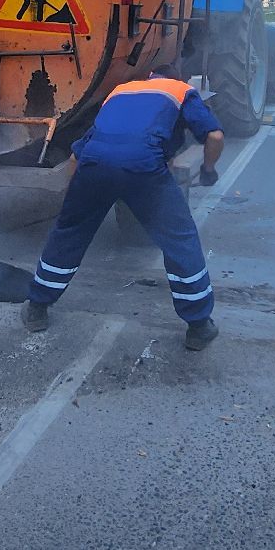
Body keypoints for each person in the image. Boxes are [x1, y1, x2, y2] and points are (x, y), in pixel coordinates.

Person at [22, 65, 225, 350]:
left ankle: (37, 308)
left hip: (93, 164)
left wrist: (74, 199)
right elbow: (214, 136)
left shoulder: (119, 92)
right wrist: (208, 169)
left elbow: (77, 154)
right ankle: (199, 325)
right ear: (174, 76)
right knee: (180, 238)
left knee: (69, 233)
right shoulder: (181, 91)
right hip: (143, 166)